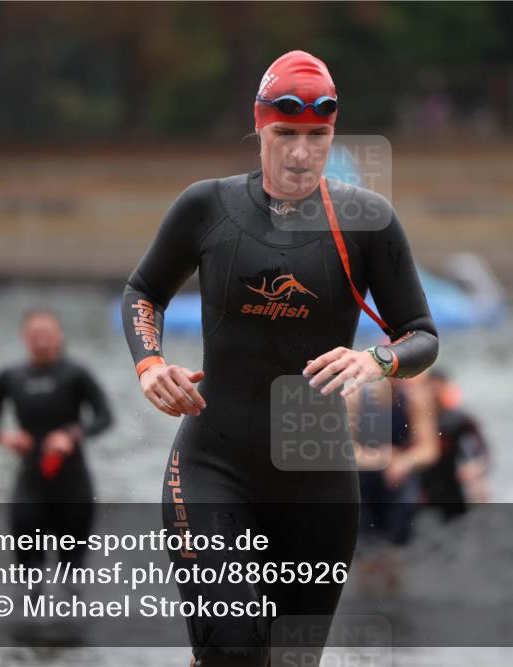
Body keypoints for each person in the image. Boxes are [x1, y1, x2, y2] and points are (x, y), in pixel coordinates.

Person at [121, 50, 438, 666]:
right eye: (284, 135)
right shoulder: (206, 208)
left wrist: (379, 361)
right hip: (213, 463)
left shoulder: (367, 221)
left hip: (316, 483)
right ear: (259, 127)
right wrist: (150, 364)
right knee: (234, 650)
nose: (299, 154)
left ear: (332, 134)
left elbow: (421, 334)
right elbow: (144, 291)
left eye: (316, 137)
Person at [0, 308, 113, 575]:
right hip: (31, 481)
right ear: (24, 338)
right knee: (29, 572)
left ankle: (73, 612)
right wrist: (5, 437)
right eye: (34, 334)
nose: (41, 340)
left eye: (47, 334)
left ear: (59, 336)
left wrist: (72, 435)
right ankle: (28, 613)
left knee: (73, 571)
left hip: (73, 483)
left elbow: (104, 417)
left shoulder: (76, 374)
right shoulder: (10, 377)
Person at [348, 374, 439, 592]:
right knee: (364, 557)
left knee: (395, 555)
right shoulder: (355, 397)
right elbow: (343, 449)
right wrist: (381, 458)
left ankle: (397, 605)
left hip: (398, 482)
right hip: (363, 481)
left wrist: (405, 462)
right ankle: (367, 604)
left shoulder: (415, 398)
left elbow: (429, 450)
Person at [421, 368, 490, 519]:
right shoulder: (415, 419)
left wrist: (476, 467)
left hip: (454, 479)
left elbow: (479, 451)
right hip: (427, 482)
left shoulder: (460, 420)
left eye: (439, 387)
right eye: (431, 388)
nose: (435, 393)